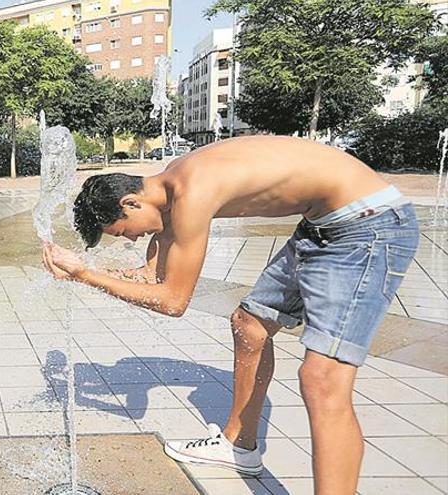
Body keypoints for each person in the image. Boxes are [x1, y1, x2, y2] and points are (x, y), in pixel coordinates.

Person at [41, 135, 419, 495]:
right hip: (321, 227)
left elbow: (173, 301)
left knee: (322, 379)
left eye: (121, 230)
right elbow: (149, 276)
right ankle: (240, 445)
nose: (129, 239)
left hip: (368, 228)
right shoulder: (170, 187)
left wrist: (86, 275)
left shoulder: (193, 192)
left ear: (131, 203)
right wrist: (84, 271)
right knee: (249, 325)